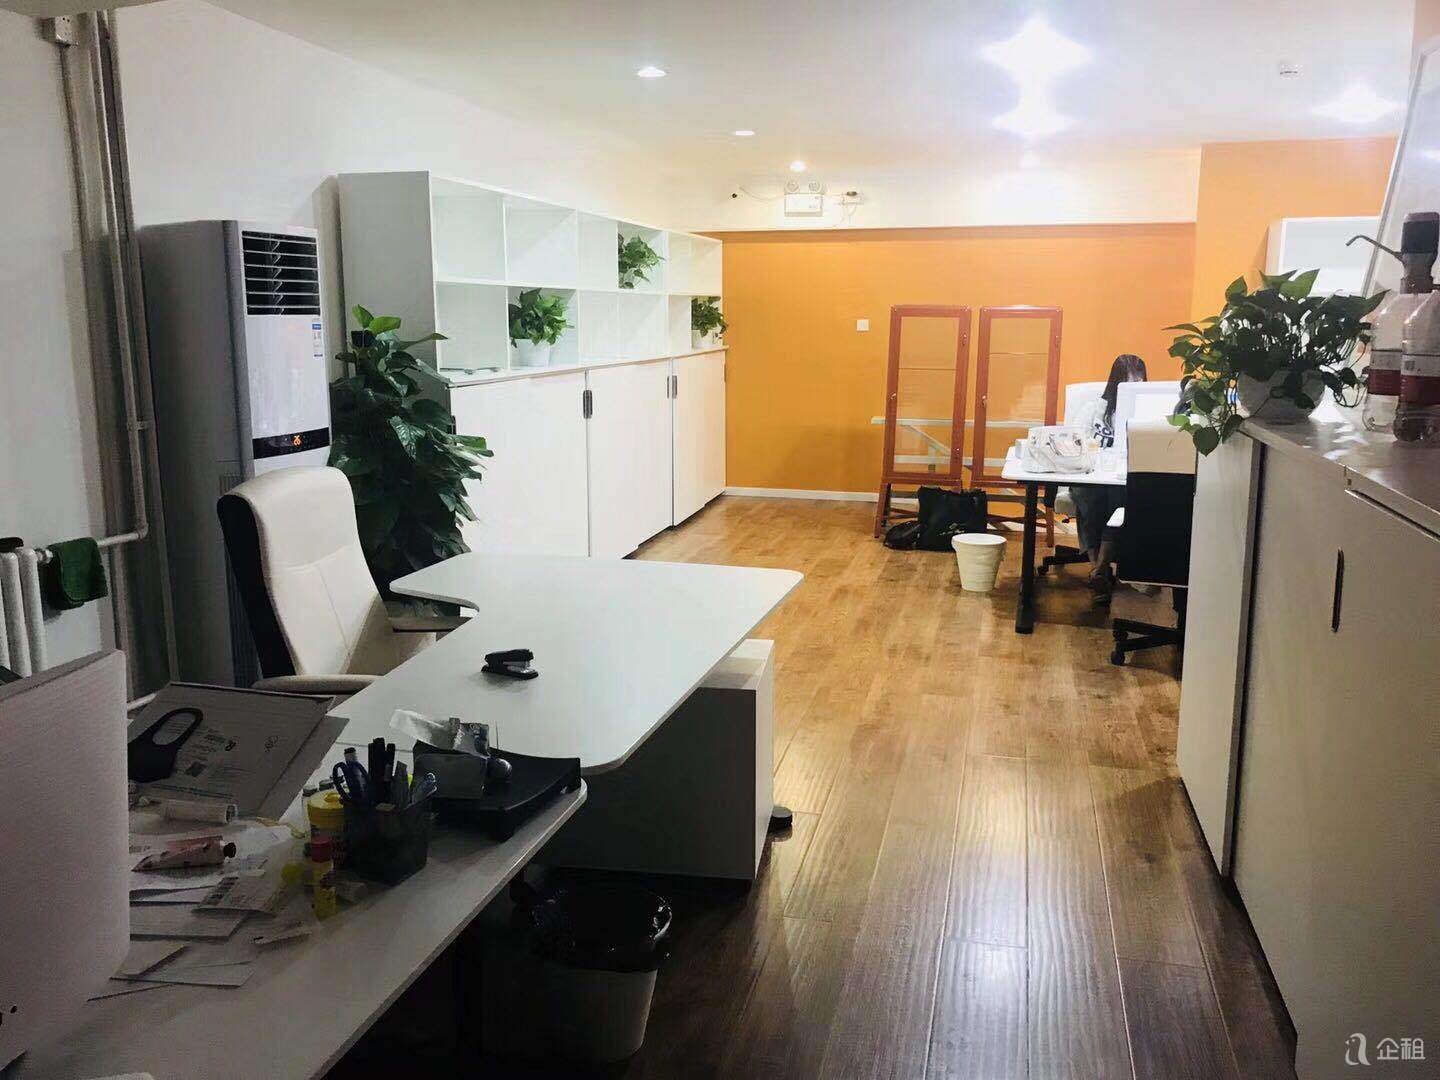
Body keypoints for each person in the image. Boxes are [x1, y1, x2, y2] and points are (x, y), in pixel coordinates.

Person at [1069, 354, 1147, 604]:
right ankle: (1098, 569)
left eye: (1139, 382)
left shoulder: (1145, 413)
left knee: (1118, 499)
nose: (1134, 389)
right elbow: (1073, 441)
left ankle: (1100, 569)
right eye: (1129, 383)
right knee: (1087, 495)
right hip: (1090, 475)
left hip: (1121, 477)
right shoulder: (1094, 409)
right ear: (1116, 383)